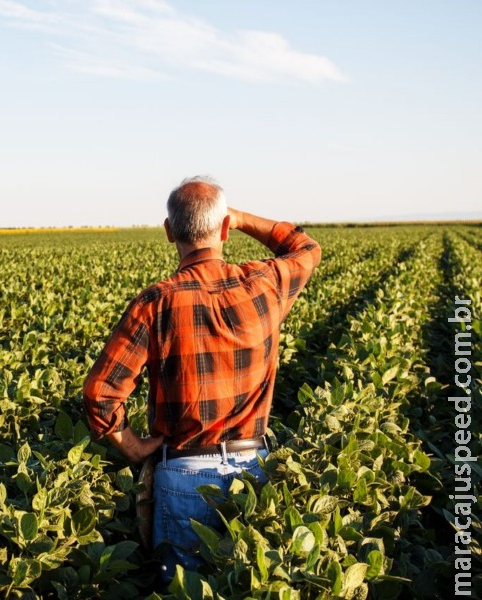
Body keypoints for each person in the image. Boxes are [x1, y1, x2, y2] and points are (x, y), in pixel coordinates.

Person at [82, 175, 321, 583]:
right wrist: (241, 217)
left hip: (184, 475)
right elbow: (306, 247)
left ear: (169, 231)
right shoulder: (265, 283)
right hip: (253, 472)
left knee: (183, 590)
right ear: (225, 228)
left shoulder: (156, 302)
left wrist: (133, 446)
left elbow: (100, 393)